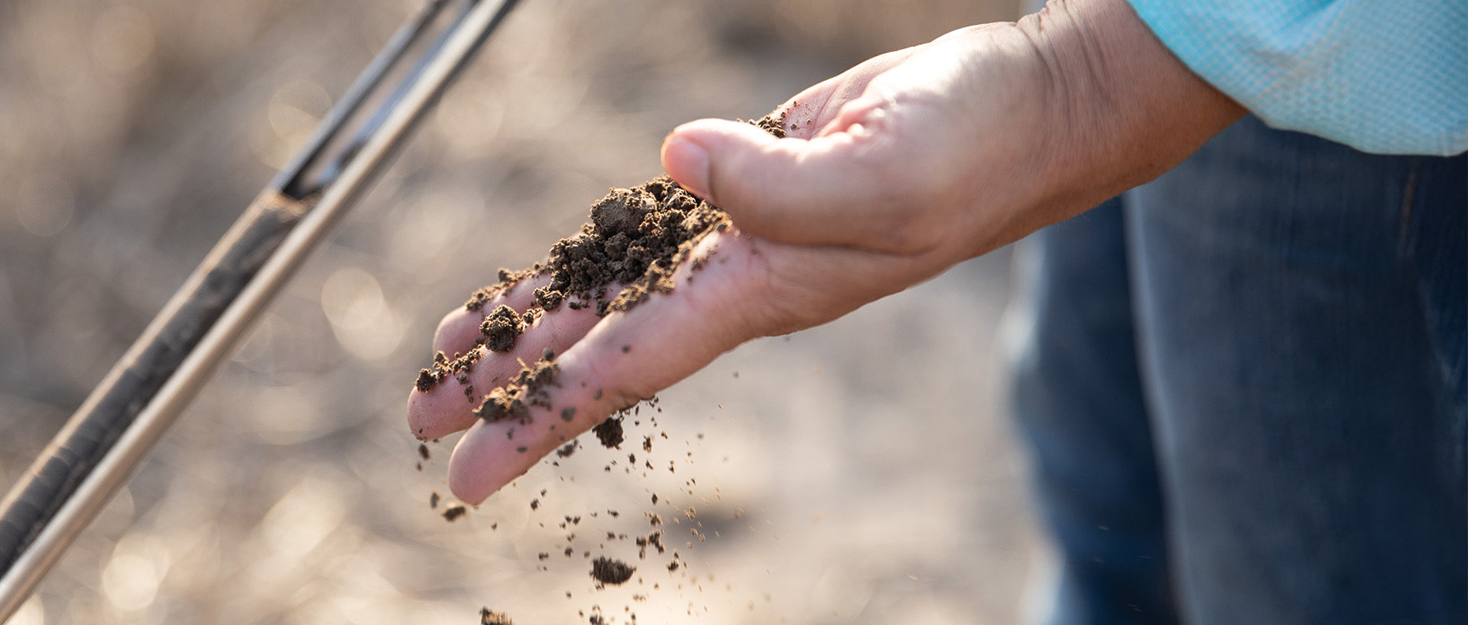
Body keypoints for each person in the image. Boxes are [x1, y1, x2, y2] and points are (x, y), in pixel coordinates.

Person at [407, 0, 1465, 622]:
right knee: (1104, 502)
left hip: (1380, 80)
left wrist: (1087, 83)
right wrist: (1087, 60)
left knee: (1299, 585)